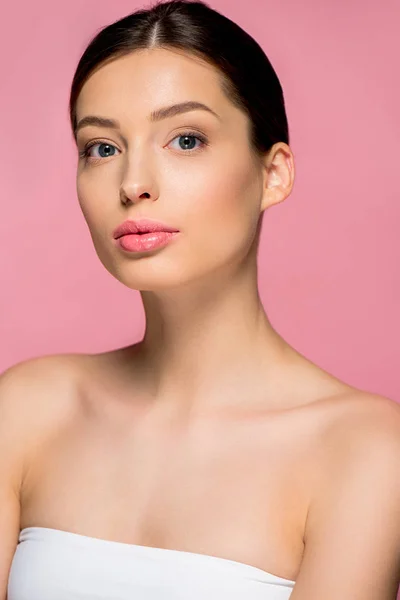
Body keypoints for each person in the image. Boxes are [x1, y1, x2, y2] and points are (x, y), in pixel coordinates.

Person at [1, 0, 400, 598]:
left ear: (274, 174)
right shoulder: (27, 410)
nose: (134, 183)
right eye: (101, 148)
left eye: (185, 139)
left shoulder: (367, 453)